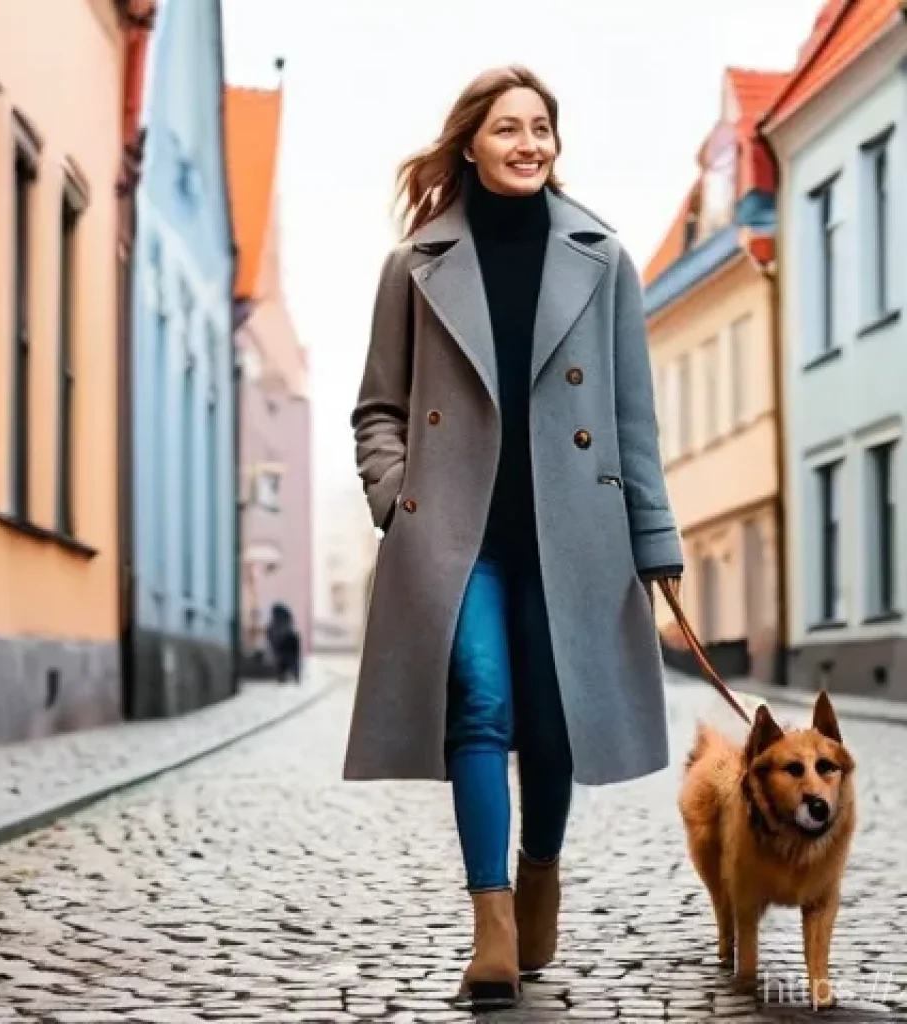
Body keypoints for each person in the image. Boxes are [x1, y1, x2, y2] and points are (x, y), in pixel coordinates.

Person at [342, 65, 683, 1009]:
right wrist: (396, 498)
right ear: (470, 145)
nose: (529, 143)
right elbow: (378, 405)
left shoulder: (603, 257)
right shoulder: (414, 265)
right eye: (508, 129)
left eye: (542, 128)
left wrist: (654, 540)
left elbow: (631, 415)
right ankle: (491, 927)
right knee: (482, 708)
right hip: (459, 538)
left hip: (574, 534)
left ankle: (541, 873)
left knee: (554, 721)